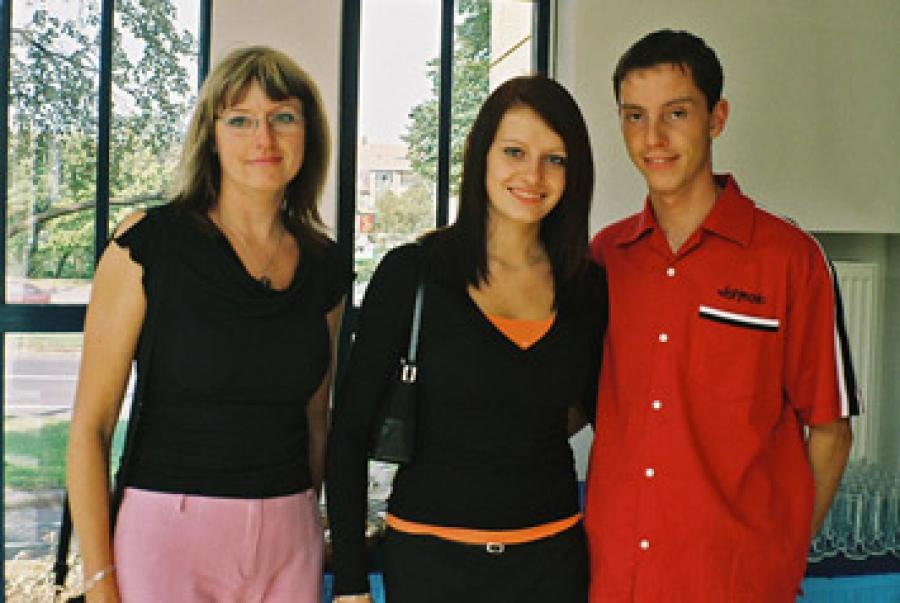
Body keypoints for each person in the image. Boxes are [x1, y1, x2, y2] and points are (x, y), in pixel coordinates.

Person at [66, 46, 349, 602]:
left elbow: (317, 422)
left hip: (290, 539)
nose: (263, 139)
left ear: (308, 134)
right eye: (240, 120)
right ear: (211, 137)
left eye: (283, 117)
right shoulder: (149, 244)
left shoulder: (325, 265)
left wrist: (299, 521)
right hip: (168, 537)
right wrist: (99, 580)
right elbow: (90, 430)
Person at [583, 29, 857, 602]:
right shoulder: (604, 258)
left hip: (738, 583)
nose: (652, 138)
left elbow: (830, 430)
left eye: (675, 113)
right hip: (616, 579)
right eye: (634, 117)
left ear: (717, 117)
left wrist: (780, 555)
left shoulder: (792, 259)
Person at [326, 75, 606, 603]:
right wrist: (350, 582)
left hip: (552, 564)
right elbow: (349, 433)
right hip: (430, 565)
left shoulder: (586, 288)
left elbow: (601, 415)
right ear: (482, 157)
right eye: (515, 152)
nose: (533, 174)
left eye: (555, 159)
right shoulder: (412, 274)